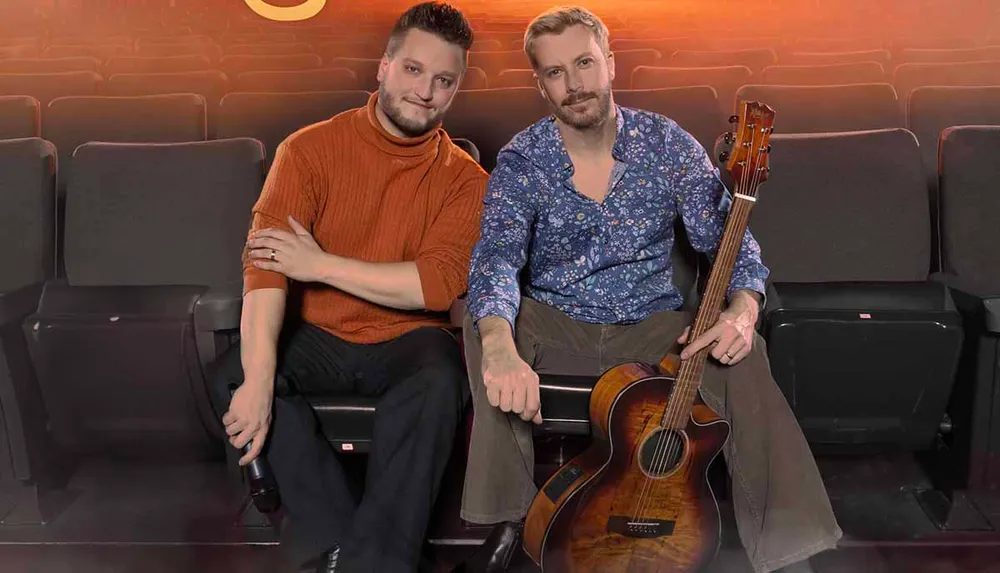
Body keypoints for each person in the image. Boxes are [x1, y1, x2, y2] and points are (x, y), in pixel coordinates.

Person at [455, 6, 842, 573]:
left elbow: (734, 247)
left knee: (746, 350)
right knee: (482, 320)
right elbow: (494, 262)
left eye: (584, 63)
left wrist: (742, 310)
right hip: (558, 322)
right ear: (541, 85)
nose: (575, 83)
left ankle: (789, 549)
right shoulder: (523, 160)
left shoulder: (668, 144)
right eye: (556, 72)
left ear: (610, 64)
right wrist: (498, 346)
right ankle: (507, 521)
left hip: (654, 326)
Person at [207, 3, 487, 572]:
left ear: (455, 90)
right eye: (413, 70)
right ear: (383, 67)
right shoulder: (306, 149)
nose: (426, 92)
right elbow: (266, 270)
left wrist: (320, 263)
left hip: (409, 339)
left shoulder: (466, 180)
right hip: (318, 332)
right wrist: (260, 382)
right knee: (235, 371)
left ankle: (371, 561)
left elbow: (432, 289)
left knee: (441, 379)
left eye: (444, 81)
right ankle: (340, 548)